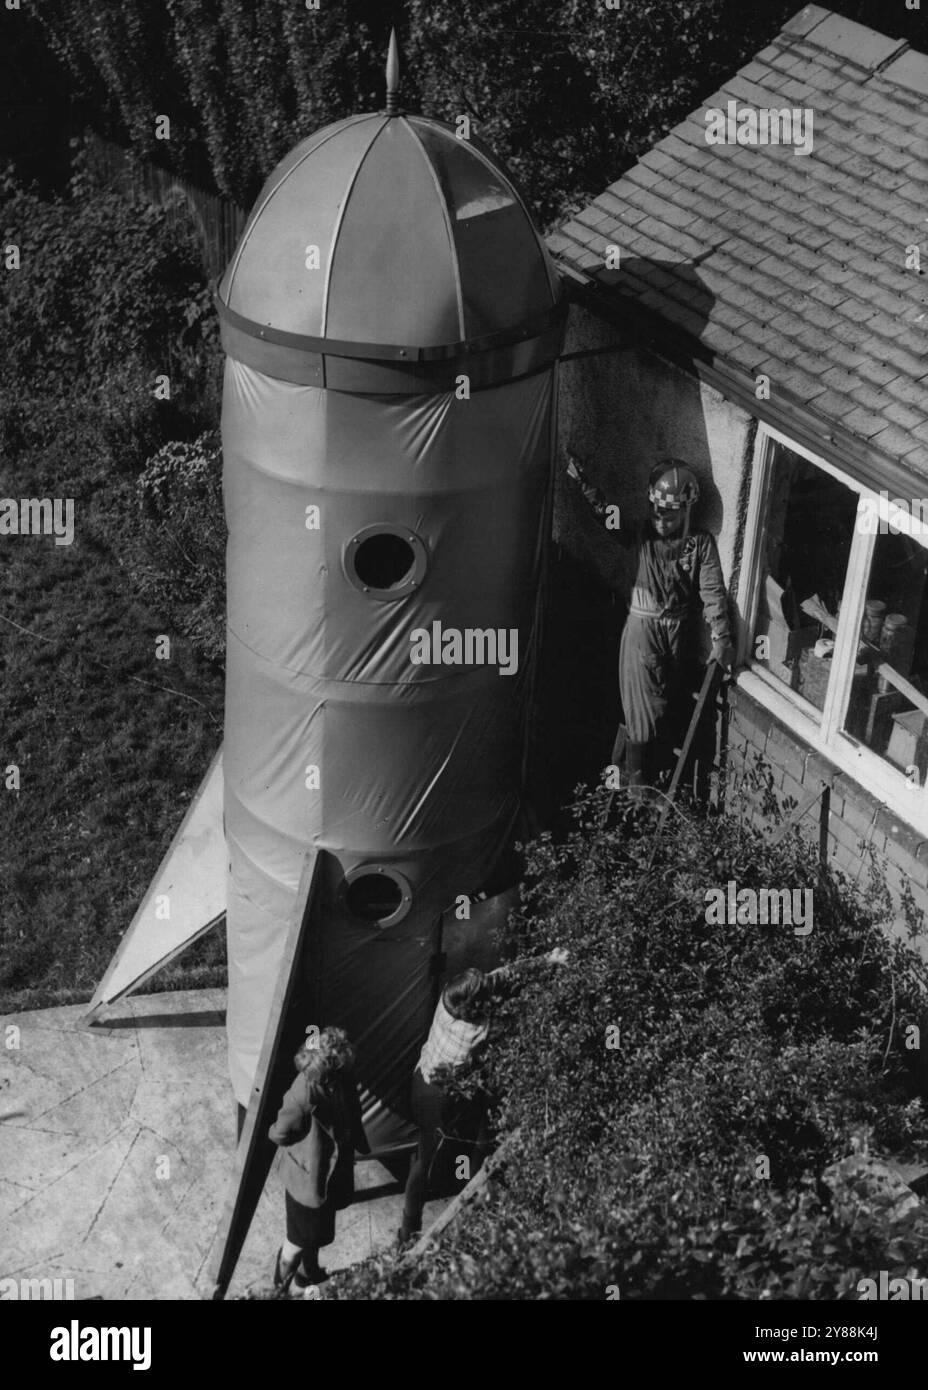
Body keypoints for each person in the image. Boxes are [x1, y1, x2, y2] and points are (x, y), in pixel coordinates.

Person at [567, 454, 734, 793]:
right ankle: (636, 790)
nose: (661, 518)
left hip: (675, 635)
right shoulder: (644, 534)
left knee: (652, 710)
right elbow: (610, 522)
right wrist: (587, 488)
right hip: (643, 632)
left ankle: (625, 778)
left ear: (687, 511)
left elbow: (713, 591)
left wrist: (721, 637)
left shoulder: (700, 544)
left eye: (669, 512)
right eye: (657, 509)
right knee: (646, 710)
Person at [398, 947, 569, 1246]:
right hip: (439, 1097)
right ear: (476, 1005)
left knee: (435, 1147)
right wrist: (549, 969)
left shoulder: (447, 999)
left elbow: (501, 976)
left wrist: (548, 960)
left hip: (421, 1079)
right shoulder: (475, 1030)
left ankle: (456, 1196)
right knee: (428, 1160)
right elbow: (510, 1013)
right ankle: (409, 1231)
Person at [268, 1025, 369, 1294]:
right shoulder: (303, 1092)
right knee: (297, 1239)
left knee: (316, 1233)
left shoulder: (340, 1078)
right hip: (307, 1180)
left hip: (329, 1173)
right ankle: (279, 1289)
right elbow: (281, 1132)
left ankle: (305, 1274)